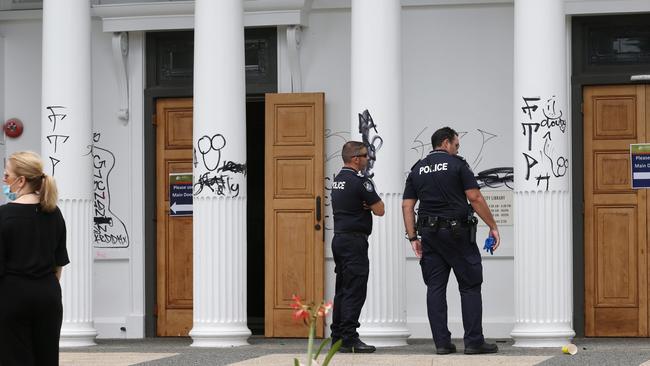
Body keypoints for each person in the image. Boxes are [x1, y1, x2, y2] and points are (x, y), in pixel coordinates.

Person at [402, 127, 500, 355]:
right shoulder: (458, 165)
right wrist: (493, 226)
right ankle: (474, 342)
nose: (457, 150)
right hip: (458, 235)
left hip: (429, 236)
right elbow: (474, 197)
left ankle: (442, 344)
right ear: (446, 143)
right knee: (470, 285)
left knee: (435, 287)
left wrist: (413, 237)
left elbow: (407, 205)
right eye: (456, 145)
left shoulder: (417, 169)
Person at [0, 151, 69, 366]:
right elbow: (59, 263)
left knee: (13, 357)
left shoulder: (4, 215)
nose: (4, 180)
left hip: (12, 295)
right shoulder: (53, 212)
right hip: (48, 295)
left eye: (7, 175)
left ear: (20, 181)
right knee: (47, 357)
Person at [330, 141, 384, 353]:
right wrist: (369, 204)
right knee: (355, 290)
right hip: (354, 242)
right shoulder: (361, 182)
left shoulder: (338, 181)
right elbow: (380, 209)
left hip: (339, 240)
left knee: (342, 290)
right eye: (365, 155)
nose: (367, 159)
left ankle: (337, 337)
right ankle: (350, 338)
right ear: (355, 159)